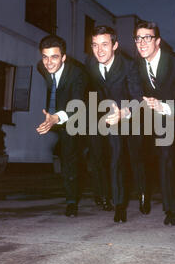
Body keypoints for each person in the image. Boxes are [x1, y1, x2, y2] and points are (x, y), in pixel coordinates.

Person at [134, 21, 175, 226]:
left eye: (147, 38)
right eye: (138, 38)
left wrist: (164, 107)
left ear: (157, 41)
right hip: (160, 121)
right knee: (166, 159)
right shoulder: (138, 65)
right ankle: (171, 209)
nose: (142, 43)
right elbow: (134, 93)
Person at [86, 25, 146, 222]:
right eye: (95, 45)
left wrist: (124, 112)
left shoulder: (129, 66)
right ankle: (118, 205)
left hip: (130, 116)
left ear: (115, 45)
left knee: (136, 160)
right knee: (112, 158)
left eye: (105, 44)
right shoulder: (91, 65)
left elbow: (138, 98)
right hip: (104, 118)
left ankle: (143, 193)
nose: (99, 50)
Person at [36, 35, 87, 217]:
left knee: (76, 156)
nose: (49, 63)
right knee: (67, 157)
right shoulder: (41, 67)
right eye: (45, 57)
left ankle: (90, 198)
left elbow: (78, 105)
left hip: (80, 114)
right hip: (56, 115)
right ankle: (71, 200)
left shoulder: (78, 75)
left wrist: (56, 118)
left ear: (64, 57)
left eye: (54, 57)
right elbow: (46, 72)